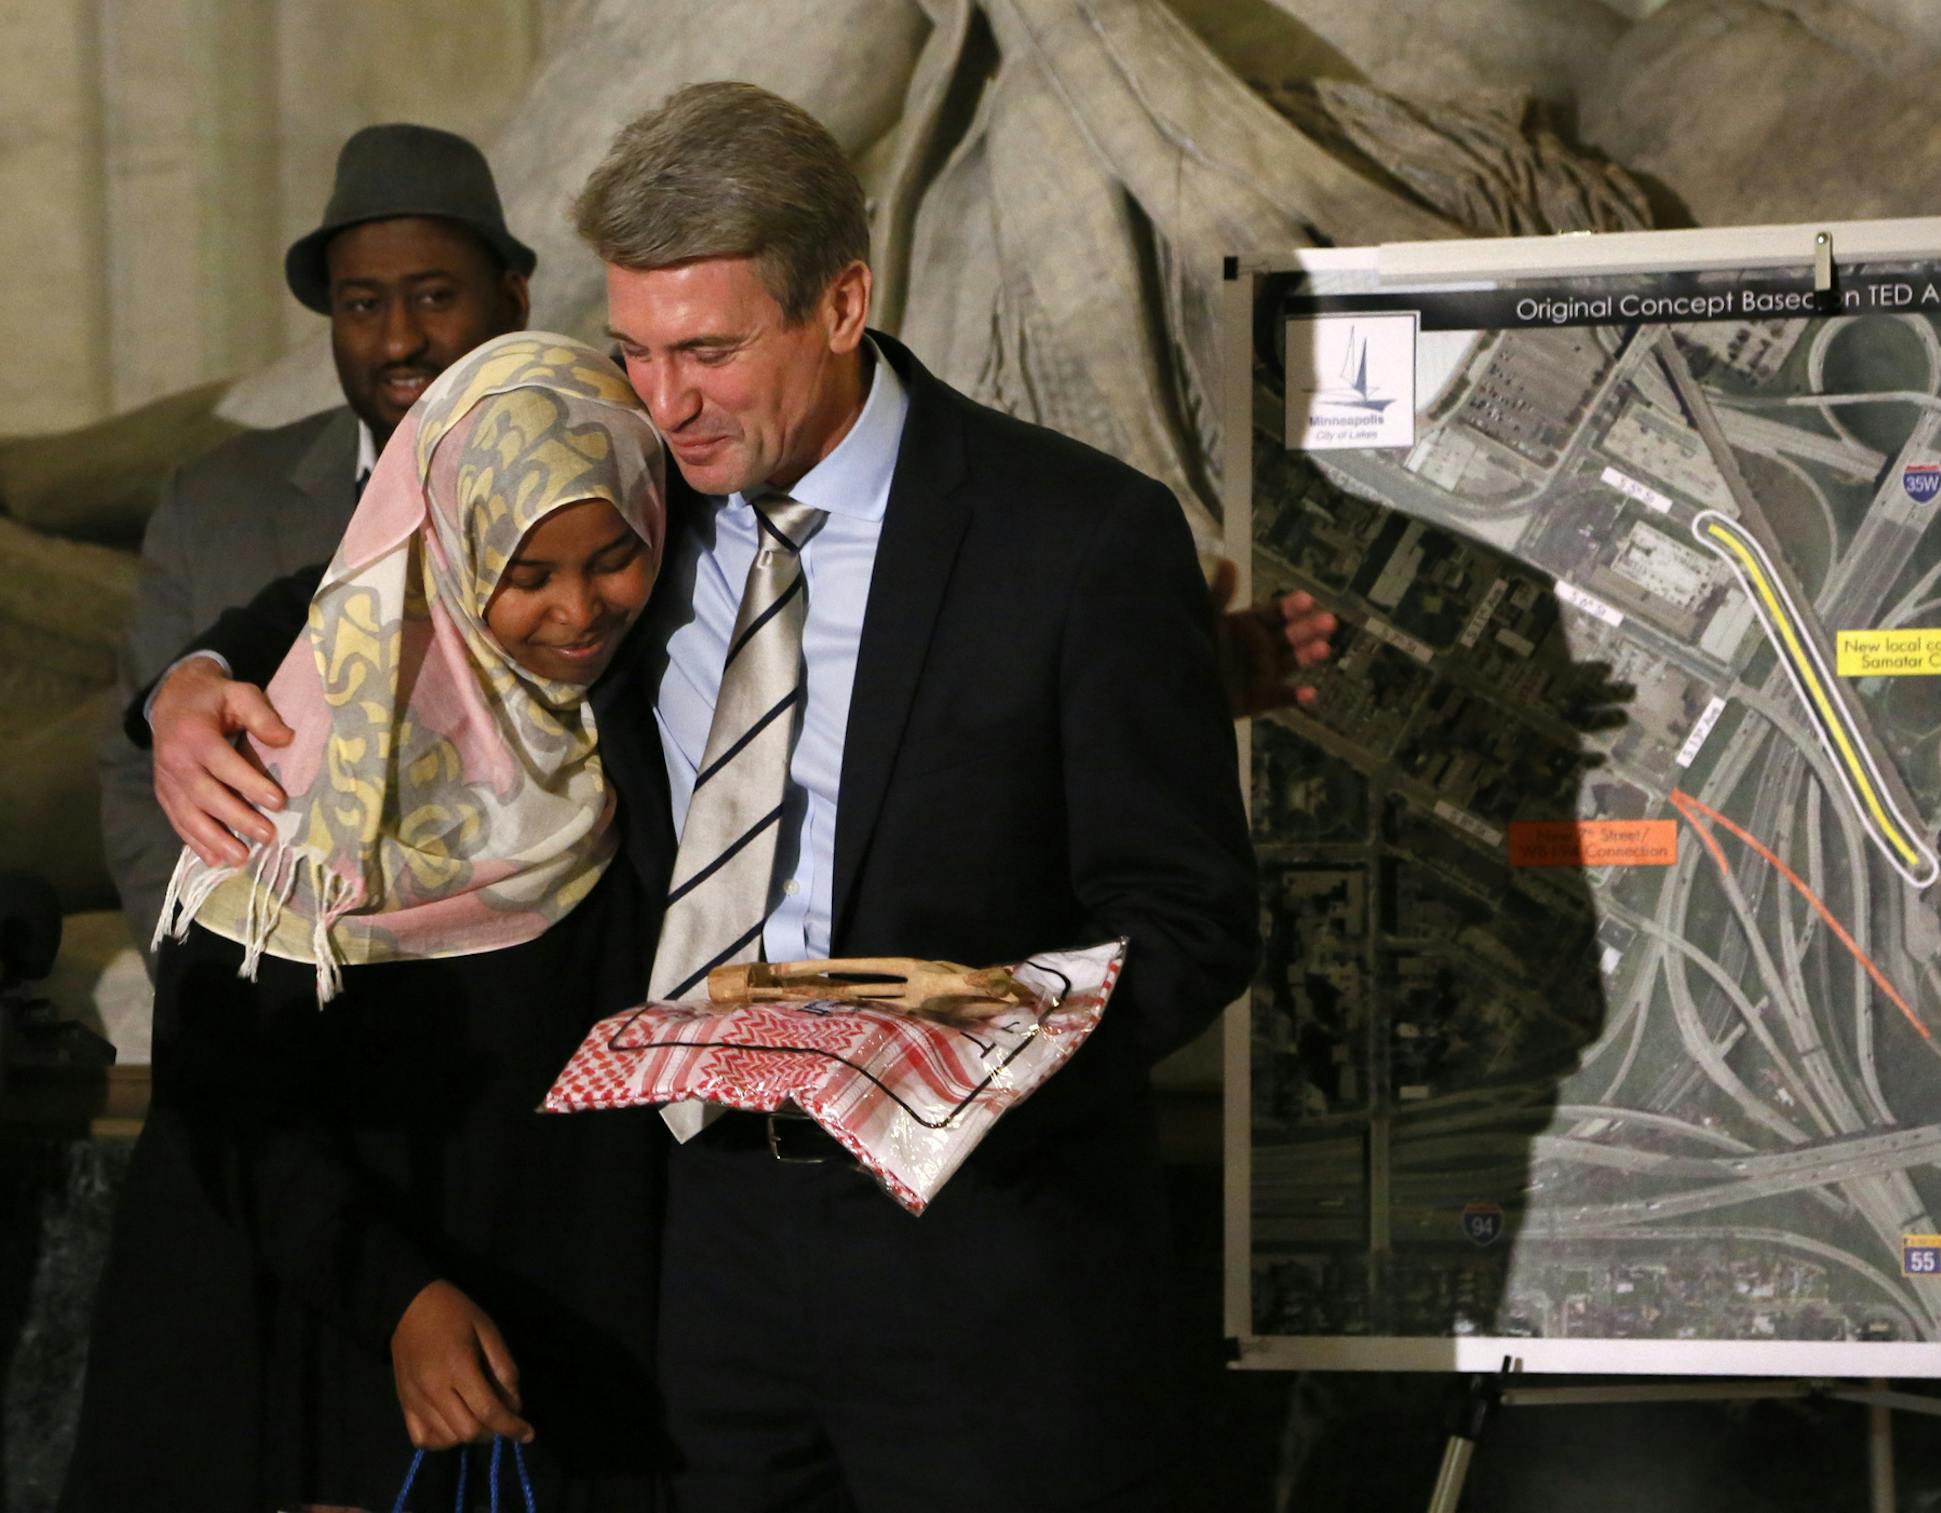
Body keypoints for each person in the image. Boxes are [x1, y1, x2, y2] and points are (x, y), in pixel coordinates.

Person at [143, 84, 1288, 1512]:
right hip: (694, 1265)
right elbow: (391, 564)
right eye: (633, 349)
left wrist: (962, 1044)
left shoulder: (1078, 536)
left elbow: (1190, 918)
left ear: (842, 301)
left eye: (708, 351)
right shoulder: (632, 490)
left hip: (983, 1263)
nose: (665, 399)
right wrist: (194, 678)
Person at [62, 334, 671, 1512]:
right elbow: (230, 1087)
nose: (578, 610)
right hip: (314, 1347)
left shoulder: (622, 719)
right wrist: (399, 1299)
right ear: (448, 549)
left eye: (615, 558)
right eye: (528, 571)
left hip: (553, 1351)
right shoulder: (302, 746)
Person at [97, 122, 535, 956]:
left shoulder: (592, 487)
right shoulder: (216, 503)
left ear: (513, 300)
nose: (399, 339)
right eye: (362, 305)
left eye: (435, 296)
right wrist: (209, 979)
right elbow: (136, 769)